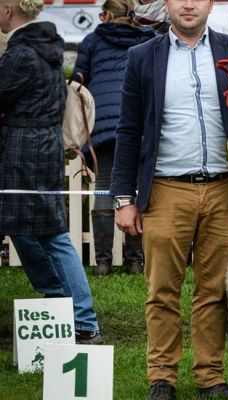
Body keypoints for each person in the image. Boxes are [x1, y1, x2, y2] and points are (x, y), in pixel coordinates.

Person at [110, 0, 228, 397]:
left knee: (216, 289)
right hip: (165, 189)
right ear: (165, 3)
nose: (188, 4)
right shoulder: (141, 57)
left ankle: (210, 378)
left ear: (211, 3)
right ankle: (162, 378)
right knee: (161, 289)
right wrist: (123, 197)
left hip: (223, 189)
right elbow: (128, 129)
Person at [0, 0, 101, 344]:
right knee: (35, 233)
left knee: (50, 235)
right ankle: (65, 308)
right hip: (37, 149)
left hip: (24, 152)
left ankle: (80, 318)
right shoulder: (42, 48)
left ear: (8, 8)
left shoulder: (21, 54)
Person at [73, 0, 155, 276]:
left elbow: (78, 82)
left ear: (106, 15)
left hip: (104, 126)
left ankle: (103, 262)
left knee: (105, 186)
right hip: (139, 122)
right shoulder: (148, 39)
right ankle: (135, 260)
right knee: (137, 188)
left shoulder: (92, 40)